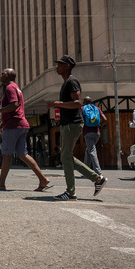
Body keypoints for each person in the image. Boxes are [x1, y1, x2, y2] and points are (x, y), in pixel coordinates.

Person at [47, 56, 107, 200]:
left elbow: (77, 103)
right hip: (68, 124)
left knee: (65, 156)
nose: (57, 67)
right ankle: (97, 179)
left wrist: (58, 104)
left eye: (60, 64)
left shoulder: (72, 81)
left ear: (67, 66)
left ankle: (71, 192)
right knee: (66, 156)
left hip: (72, 124)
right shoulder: (66, 82)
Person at [0, 68, 52, 192]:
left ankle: (1, 183)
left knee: (6, 155)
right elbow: (16, 110)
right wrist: (1, 125)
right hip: (20, 124)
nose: (1, 74)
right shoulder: (16, 88)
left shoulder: (10, 88)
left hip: (13, 126)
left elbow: (14, 105)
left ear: (10, 76)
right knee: (23, 154)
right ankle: (43, 179)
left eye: (3, 73)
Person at [82, 96, 107, 175]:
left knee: (92, 150)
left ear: (84, 102)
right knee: (88, 150)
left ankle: (97, 171)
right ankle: (85, 169)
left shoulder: (82, 108)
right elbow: (105, 119)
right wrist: (100, 126)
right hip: (97, 133)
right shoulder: (97, 108)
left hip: (88, 133)